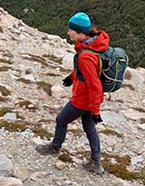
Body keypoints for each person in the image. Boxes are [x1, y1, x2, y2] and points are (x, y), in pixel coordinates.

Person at [36, 12, 108, 174]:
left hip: (83, 100)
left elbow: (94, 84)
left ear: (80, 33)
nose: (68, 32)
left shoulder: (85, 56)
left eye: (71, 30)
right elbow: (87, 72)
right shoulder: (92, 46)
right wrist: (71, 78)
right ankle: (96, 162)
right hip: (90, 100)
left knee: (61, 120)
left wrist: (95, 110)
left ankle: (55, 147)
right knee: (89, 127)